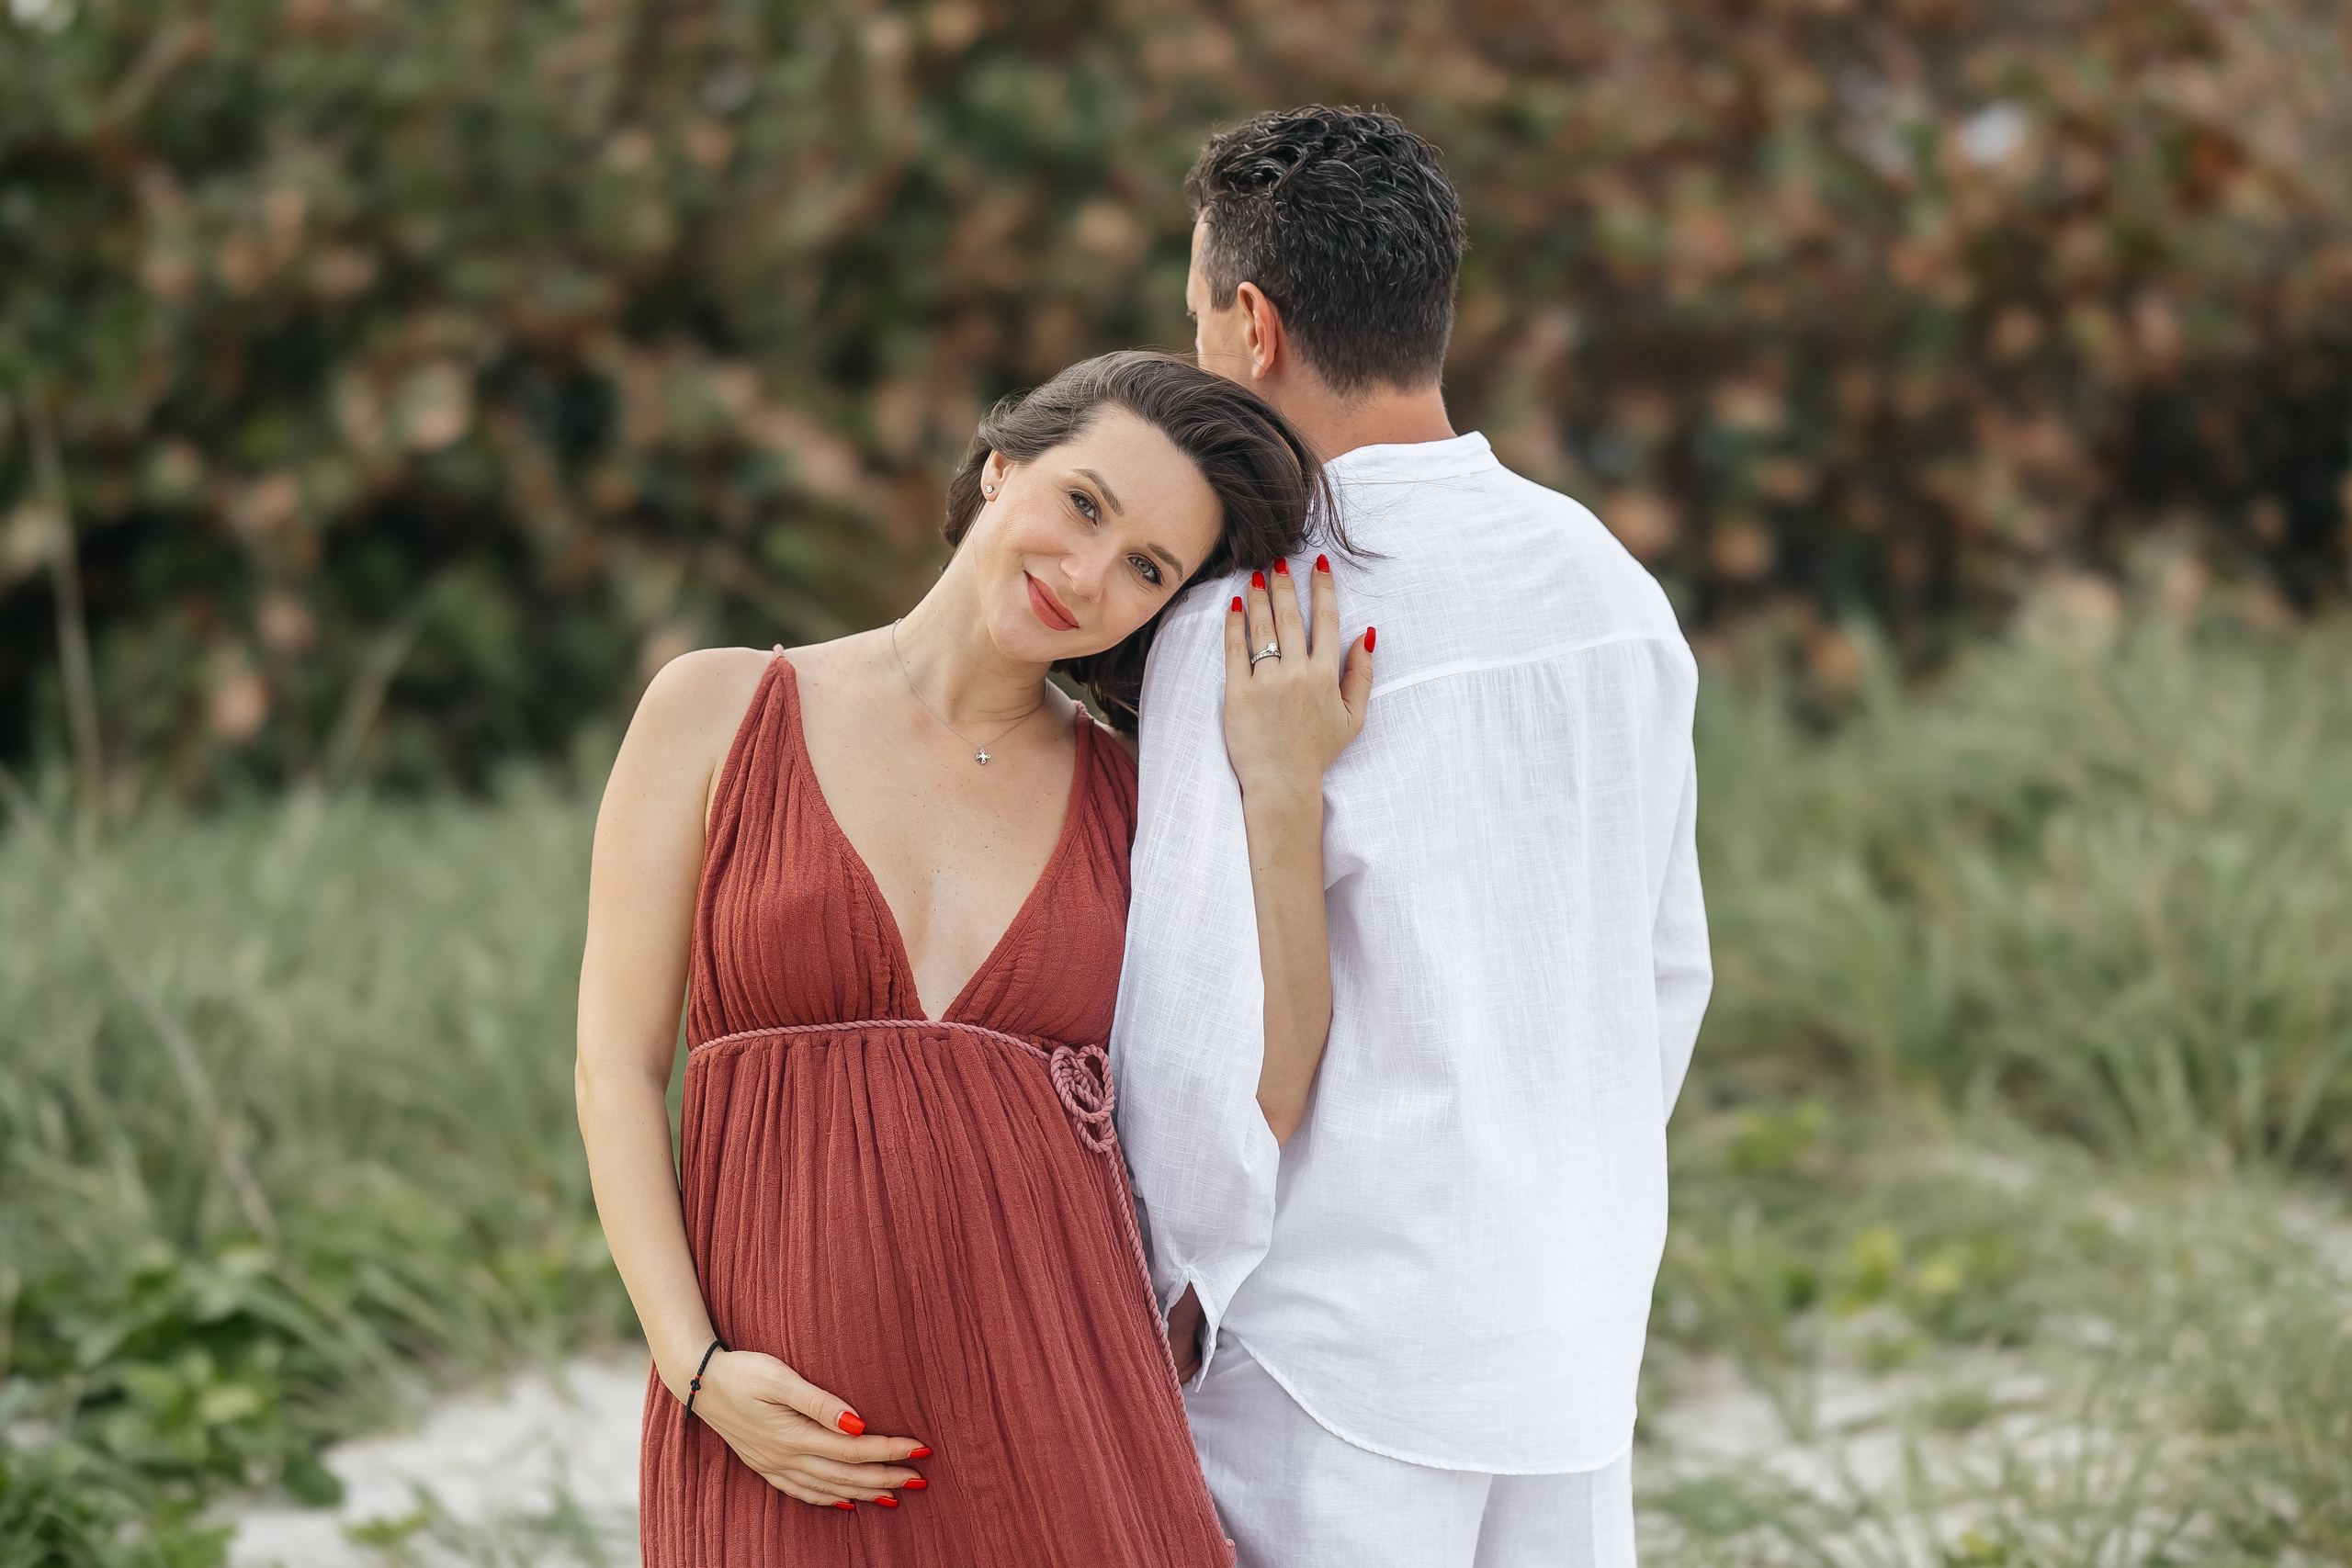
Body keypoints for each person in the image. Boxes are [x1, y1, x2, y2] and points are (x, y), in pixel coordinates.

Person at [573, 349, 1372, 1566]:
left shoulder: (1138, 801)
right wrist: (696, 1367)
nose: (1088, 573)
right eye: (1084, 504)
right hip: (782, 1438)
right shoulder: (717, 710)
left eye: (1147, 568)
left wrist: (1280, 793)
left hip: (1071, 1426)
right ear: (1003, 470)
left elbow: (1265, 1090)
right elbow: (615, 1067)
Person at [1112, 107, 1713, 1568]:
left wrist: (1169, 1306)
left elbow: (1199, 1046)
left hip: (1331, 1352)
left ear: (1252, 323)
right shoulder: (1611, 587)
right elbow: (1668, 975)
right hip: (1566, 1322)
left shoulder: (1247, 618)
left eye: (1196, 316)